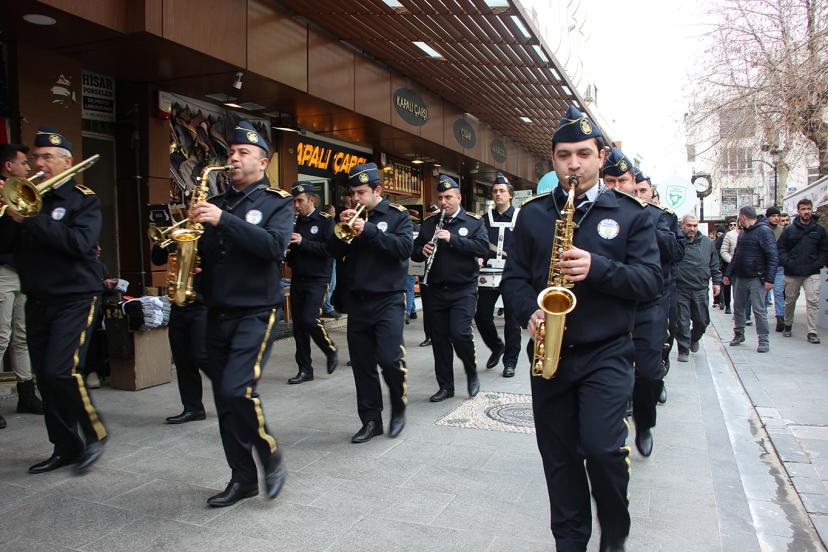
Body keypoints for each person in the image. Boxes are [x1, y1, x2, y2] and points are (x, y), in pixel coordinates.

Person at [502, 106, 661, 551]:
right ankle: (570, 542)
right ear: (553, 158)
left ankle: (614, 532)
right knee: (559, 459)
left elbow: (650, 281)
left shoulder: (630, 214)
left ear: (601, 156)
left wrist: (598, 268)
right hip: (549, 354)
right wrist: (528, 314)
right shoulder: (533, 214)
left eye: (584, 154)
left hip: (606, 352)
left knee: (602, 449)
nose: (574, 164)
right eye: (564, 155)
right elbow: (514, 279)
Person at [189, 121, 290, 507]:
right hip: (217, 310)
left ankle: (269, 453)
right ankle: (242, 478)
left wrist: (222, 221)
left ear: (262, 162)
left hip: (256, 311)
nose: (233, 157)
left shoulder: (277, 202)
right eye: (231, 151)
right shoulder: (218, 201)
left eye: (242, 152)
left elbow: (273, 248)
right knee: (224, 400)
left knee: (237, 389)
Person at [0, 126, 107, 473]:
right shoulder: (28, 197)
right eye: (35, 157)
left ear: (67, 162)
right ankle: (65, 446)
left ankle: (94, 434)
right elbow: (7, 247)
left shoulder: (83, 199)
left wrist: (31, 219)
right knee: (45, 378)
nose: (39, 164)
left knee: (62, 370)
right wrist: (9, 214)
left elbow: (79, 244)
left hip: (76, 296)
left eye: (47, 157)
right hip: (39, 297)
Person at [327, 163, 412, 443]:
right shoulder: (350, 216)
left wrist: (370, 230)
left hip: (388, 299)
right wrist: (339, 228)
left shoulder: (398, 216)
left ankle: (398, 406)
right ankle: (371, 420)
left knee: (389, 358)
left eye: (361, 192)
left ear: (377, 191)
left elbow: (404, 249)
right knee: (362, 365)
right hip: (358, 300)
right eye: (353, 193)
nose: (356, 198)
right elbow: (331, 251)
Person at [612, 158, 684, 455]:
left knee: (649, 373)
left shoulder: (657, 216)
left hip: (650, 304)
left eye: (624, 182)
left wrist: (641, 226)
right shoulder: (599, 215)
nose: (618, 188)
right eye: (611, 182)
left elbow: (675, 250)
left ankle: (644, 423)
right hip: (614, 302)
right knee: (610, 372)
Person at [413, 175, 488, 401]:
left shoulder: (474, 222)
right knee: (439, 339)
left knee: (459, 333)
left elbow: (483, 248)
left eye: (448, 197)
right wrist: (421, 250)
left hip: (463, 289)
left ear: (459, 198)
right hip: (434, 289)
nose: (443, 202)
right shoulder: (430, 223)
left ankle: (471, 371)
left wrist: (453, 239)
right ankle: (446, 386)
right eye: (440, 198)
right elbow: (414, 251)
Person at [0, 144, 43, 428]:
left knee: (22, 335)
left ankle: (27, 393)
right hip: (2, 271)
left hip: (22, 271)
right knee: (1, 337)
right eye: (23, 163)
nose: (28, 168)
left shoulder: (25, 191)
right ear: (8, 166)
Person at [151, 238, 209, 425]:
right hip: (178, 304)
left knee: (202, 356)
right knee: (183, 359)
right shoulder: (177, 237)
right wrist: (161, 242)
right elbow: (157, 260)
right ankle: (193, 408)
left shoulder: (208, 235)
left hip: (203, 305)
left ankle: (234, 393)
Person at [285, 183, 338, 383]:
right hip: (298, 277)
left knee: (309, 319)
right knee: (298, 327)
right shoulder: (295, 221)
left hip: (318, 279)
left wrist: (303, 242)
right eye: (294, 201)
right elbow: (293, 251)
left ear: (312, 200)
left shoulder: (325, 221)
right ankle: (305, 369)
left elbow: (329, 250)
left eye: (300, 201)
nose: (296, 205)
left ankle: (329, 349)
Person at [474, 173, 522, 378]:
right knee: (482, 315)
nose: (498, 194)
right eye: (495, 191)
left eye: (502, 191)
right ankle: (496, 346)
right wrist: (478, 256)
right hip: (488, 274)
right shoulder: (483, 220)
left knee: (513, 321)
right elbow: (478, 244)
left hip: (513, 275)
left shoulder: (522, 217)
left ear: (510, 194)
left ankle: (510, 362)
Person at [723, 205, 778, 352]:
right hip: (741, 276)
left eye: (739, 218)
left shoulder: (764, 231)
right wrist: (728, 274)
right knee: (738, 308)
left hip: (757, 278)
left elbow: (773, 256)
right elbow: (736, 256)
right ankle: (739, 334)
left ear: (743, 216)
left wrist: (770, 279)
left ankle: (763, 341)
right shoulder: (743, 233)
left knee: (759, 310)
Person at [777, 198, 828, 343]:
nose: (806, 212)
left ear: (812, 210)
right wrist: (788, 263)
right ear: (798, 211)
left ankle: (812, 332)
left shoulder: (819, 230)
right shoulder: (789, 230)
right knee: (790, 301)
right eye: (803, 209)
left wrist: (818, 263)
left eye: (808, 209)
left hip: (812, 272)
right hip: (792, 272)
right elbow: (781, 249)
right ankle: (788, 324)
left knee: (813, 301)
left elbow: (824, 250)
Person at [675, 215, 721, 362]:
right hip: (680, 289)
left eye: (695, 225)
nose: (692, 228)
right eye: (689, 225)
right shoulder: (676, 241)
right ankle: (683, 349)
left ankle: (693, 338)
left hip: (700, 289)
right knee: (682, 322)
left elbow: (714, 263)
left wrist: (717, 282)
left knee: (702, 321)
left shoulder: (707, 242)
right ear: (682, 225)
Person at [765, 207, 786, 331]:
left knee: (778, 292)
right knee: (764, 293)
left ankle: (780, 318)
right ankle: (762, 317)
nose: (776, 218)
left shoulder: (783, 231)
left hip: (779, 266)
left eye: (778, 216)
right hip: (766, 267)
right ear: (768, 217)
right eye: (773, 216)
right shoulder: (763, 230)